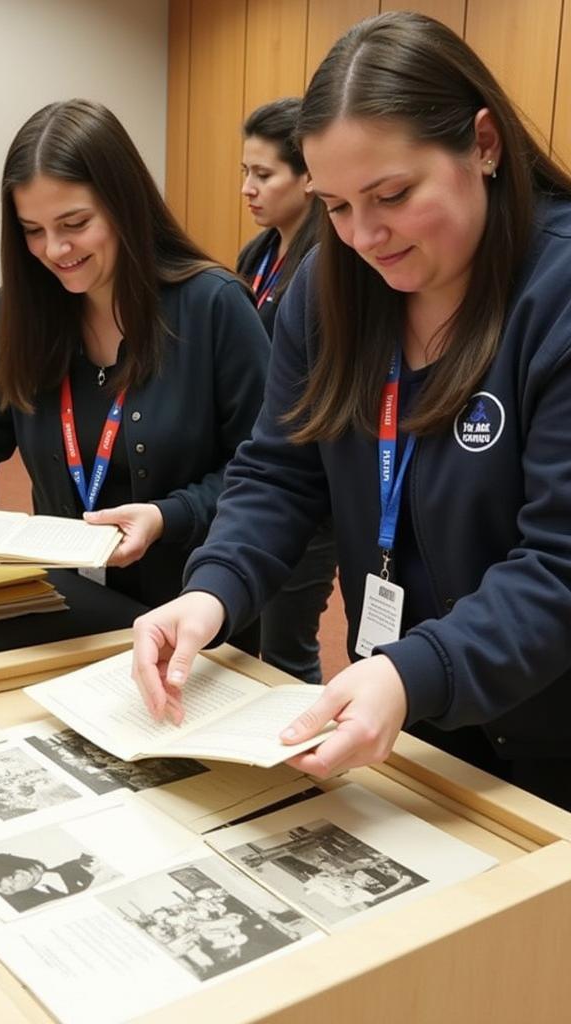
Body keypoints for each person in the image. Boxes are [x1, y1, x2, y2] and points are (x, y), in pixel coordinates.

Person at [131, 13, 571, 1023]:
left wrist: (404, 670)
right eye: (337, 204)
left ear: (483, 144)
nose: (364, 234)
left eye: (392, 196)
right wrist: (211, 595)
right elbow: (277, 470)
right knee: (469, 962)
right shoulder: (331, 284)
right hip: (436, 686)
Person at [0, 100, 269, 626]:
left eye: (74, 223)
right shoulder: (19, 309)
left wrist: (169, 516)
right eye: (33, 230)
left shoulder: (211, 307)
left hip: (192, 609)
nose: (55, 249)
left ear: (124, 205)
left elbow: (262, 472)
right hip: (64, 603)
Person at [238, 98, 337, 684]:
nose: (248, 188)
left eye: (264, 174)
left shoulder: (329, 267)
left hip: (304, 478)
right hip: (258, 465)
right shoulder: (258, 253)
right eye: (245, 172)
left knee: (287, 644)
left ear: (308, 178)